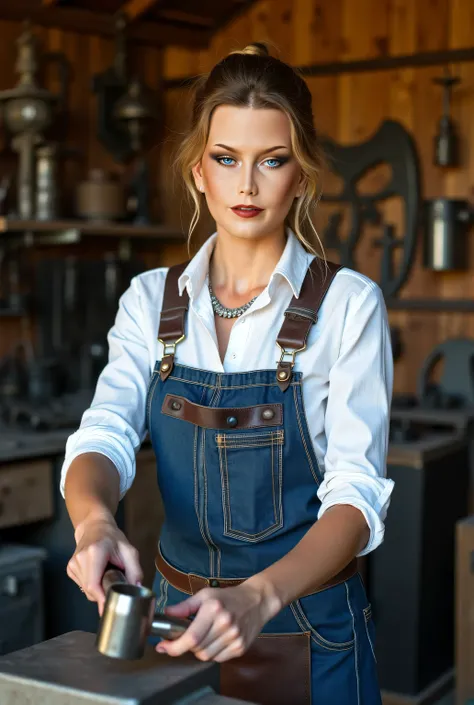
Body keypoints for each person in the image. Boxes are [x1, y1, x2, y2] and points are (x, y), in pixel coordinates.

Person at [61, 42, 394, 705]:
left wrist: (257, 595)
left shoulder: (349, 304)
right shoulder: (149, 302)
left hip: (309, 634)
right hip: (174, 632)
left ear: (300, 175)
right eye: (226, 159)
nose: (246, 186)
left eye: (272, 161)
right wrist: (95, 522)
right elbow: (102, 437)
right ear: (196, 172)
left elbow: (356, 499)